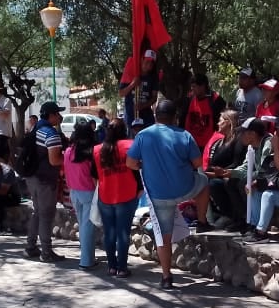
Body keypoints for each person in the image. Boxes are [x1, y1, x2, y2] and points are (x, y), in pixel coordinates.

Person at [127, 99, 213, 290]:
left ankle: (166, 277)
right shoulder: (185, 135)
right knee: (205, 182)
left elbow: (130, 163)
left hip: (159, 197)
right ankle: (201, 220)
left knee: (162, 237)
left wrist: (144, 165)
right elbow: (198, 163)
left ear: (156, 116)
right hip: (186, 189)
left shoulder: (142, 135)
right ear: (175, 117)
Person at [95, 119, 141, 277]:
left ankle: (112, 267)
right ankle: (122, 268)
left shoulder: (97, 150)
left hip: (105, 196)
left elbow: (94, 175)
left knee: (109, 233)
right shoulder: (130, 145)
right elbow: (136, 169)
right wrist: (140, 189)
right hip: (127, 195)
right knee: (123, 233)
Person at [25, 101, 66, 262]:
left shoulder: (36, 129)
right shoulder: (50, 133)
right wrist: (67, 158)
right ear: (51, 115)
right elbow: (55, 160)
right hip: (45, 180)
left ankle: (31, 247)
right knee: (46, 215)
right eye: (57, 114)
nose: (60, 116)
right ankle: (46, 252)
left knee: (37, 212)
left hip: (32, 178)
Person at [205, 109, 249, 230]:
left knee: (215, 184)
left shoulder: (238, 141)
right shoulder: (219, 142)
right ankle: (210, 216)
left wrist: (221, 173)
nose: (218, 124)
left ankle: (232, 215)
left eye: (220, 121)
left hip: (231, 174)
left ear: (229, 122)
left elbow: (237, 162)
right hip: (219, 173)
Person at [63, 121, 98, 269]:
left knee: (84, 226)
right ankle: (86, 261)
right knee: (87, 227)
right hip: (88, 192)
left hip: (74, 193)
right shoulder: (91, 153)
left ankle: (88, 257)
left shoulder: (69, 152)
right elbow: (94, 177)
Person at [178, 72, 225, 151]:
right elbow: (182, 118)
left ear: (202, 86)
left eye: (194, 86)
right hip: (190, 143)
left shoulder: (215, 100)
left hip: (208, 145)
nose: (192, 89)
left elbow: (220, 122)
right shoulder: (189, 98)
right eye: (191, 86)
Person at [120, 48, 159, 133]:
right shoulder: (130, 72)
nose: (148, 65)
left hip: (147, 119)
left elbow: (154, 98)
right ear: (142, 59)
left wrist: (143, 105)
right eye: (147, 62)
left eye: (151, 63)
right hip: (131, 118)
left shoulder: (153, 77)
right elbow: (121, 93)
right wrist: (132, 84)